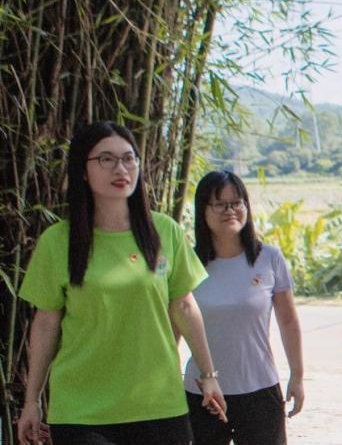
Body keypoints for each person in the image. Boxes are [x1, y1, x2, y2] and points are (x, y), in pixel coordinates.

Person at [17, 121, 226, 445]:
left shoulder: (164, 231)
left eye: (129, 159)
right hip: (81, 408)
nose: (121, 168)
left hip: (157, 403)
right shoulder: (57, 241)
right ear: (82, 170)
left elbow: (184, 305)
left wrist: (208, 375)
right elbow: (46, 322)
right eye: (106, 159)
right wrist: (32, 400)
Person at [185, 170, 305, 444]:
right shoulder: (189, 263)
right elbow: (176, 327)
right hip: (202, 391)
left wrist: (297, 376)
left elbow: (288, 321)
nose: (230, 211)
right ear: (203, 210)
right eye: (220, 204)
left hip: (259, 389)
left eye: (237, 202)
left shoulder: (269, 258)